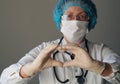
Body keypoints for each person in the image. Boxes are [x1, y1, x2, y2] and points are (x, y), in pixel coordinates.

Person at [0, 0, 120, 84]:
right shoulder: (45, 50)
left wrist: (99, 67)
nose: (76, 21)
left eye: (82, 16)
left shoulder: (101, 51)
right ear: (60, 22)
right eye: (69, 16)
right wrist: (31, 68)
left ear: (90, 22)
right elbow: (5, 80)